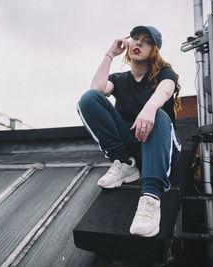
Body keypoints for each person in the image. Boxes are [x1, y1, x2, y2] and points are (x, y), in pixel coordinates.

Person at [77, 26, 182, 237]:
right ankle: (124, 164)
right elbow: (96, 88)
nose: (139, 43)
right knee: (88, 99)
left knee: (159, 115)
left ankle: (150, 200)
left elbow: (166, 89)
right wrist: (110, 54)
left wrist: (150, 108)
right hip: (133, 146)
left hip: (161, 146)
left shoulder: (164, 74)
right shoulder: (119, 79)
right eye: (135, 38)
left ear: (154, 50)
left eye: (147, 41)